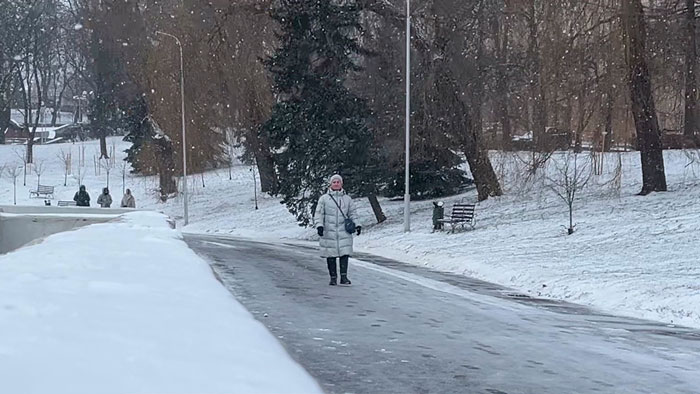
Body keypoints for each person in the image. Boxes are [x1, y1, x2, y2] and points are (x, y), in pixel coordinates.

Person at [314, 174, 362, 286]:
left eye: (338, 182)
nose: (336, 184)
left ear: (341, 184)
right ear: (331, 184)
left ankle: (344, 277)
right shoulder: (324, 199)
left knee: (344, 253)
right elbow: (319, 214)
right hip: (328, 231)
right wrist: (319, 225)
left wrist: (357, 225)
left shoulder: (347, 199)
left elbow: (352, 213)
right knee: (330, 255)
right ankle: (333, 277)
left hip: (343, 230)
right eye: (334, 182)